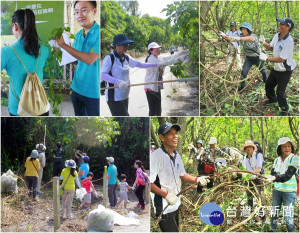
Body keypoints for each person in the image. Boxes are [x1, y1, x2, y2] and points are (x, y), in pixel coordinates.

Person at [150, 122, 210, 232]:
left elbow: (182, 174)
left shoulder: (177, 155)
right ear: (161, 137)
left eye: (176, 133)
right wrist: (166, 195)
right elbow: (149, 184)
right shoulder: (155, 157)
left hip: (176, 203)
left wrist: (196, 179)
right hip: (164, 207)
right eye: (170, 134)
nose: (175, 136)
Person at [1, 9, 49, 116]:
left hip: (18, 110)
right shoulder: (44, 51)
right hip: (41, 108)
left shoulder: (6, 52)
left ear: (15, 26)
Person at [55, 1, 100, 116]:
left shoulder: (99, 33)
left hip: (93, 93)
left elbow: (90, 59)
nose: (79, 15)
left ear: (94, 11)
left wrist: (65, 45)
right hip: (76, 88)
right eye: (76, 12)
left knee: (92, 127)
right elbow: (73, 57)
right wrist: (59, 51)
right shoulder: (79, 35)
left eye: (84, 10)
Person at [101, 34, 158, 116]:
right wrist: (118, 82)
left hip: (124, 94)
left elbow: (139, 64)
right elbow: (103, 75)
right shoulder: (110, 58)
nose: (127, 46)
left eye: (127, 44)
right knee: (125, 117)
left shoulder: (126, 57)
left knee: (124, 117)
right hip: (114, 97)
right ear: (117, 45)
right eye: (124, 44)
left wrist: (154, 65)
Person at [259, 18, 296, 116]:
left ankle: (285, 110)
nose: (279, 25)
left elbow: (282, 59)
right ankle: (272, 100)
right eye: (280, 23)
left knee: (280, 92)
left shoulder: (289, 41)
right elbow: (271, 47)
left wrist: (267, 59)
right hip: (276, 68)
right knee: (269, 85)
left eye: (282, 24)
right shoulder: (277, 35)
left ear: (288, 27)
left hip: (285, 70)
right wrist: (264, 43)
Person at [144, 42, 188, 116]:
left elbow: (170, 57)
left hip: (156, 87)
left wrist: (181, 53)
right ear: (151, 51)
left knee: (158, 108)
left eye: (159, 49)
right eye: (156, 49)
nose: (158, 50)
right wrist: (179, 60)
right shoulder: (151, 59)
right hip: (150, 88)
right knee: (152, 109)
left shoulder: (159, 57)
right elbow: (164, 63)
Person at [222, 22, 268, 92]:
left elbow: (239, 39)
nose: (242, 31)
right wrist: (224, 36)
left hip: (257, 58)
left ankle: (267, 84)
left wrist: (232, 38)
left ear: (248, 30)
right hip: (249, 58)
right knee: (244, 72)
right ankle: (242, 89)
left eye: (244, 30)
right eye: (242, 29)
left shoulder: (252, 37)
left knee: (263, 71)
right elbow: (233, 36)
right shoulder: (242, 35)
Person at [266, 137, 299, 232]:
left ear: (291, 147)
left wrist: (275, 178)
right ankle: (273, 230)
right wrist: (271, 177)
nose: (287, 148)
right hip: (277, 191)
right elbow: (273, 173)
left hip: (289, 192)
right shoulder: (277, 160)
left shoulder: (295, 158)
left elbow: (288, 175)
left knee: (288, 217)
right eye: (284, 146)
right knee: (274, 213)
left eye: (289, 146)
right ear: (280, 148)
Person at [240, 140, 265, 221]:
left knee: (258, 197)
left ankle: (262, 215)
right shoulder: (244, 158)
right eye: (247, 147)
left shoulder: (258, 156)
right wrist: (244, 175)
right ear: (245, 149)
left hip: (257, 179)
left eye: (250, 147)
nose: (249, 149)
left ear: (253, 148)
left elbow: (258, 169)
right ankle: (252, 214)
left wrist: (249, 173)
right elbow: (243, 169)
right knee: (249, 197)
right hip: (248, 180)